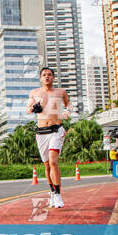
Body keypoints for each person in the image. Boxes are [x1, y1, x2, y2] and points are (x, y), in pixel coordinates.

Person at [26, 67, 71, 209]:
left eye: (49, 75)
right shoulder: (34, 93)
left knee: (53, 161)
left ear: (53, 77)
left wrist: (68, 110)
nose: (47, 77)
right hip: (41, 132)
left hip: (56, 129)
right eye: (44, 75)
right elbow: (28, 109)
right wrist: (33, 108)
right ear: (40, 78)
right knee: (46, 165)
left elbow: (68, 103)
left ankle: (58, 194)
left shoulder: (60, 92)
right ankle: (52, 191)